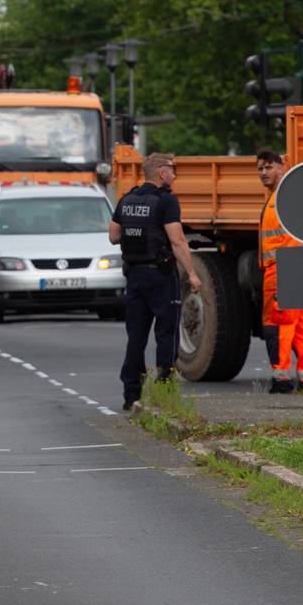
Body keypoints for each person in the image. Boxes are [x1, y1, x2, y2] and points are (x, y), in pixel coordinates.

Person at [112, 152, 202, 412]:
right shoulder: (166, 201)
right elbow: (177, 241)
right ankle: (164, 391)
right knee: (166, 334)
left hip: (135, 276)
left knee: (136, 337)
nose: (174, 176)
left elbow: (113, 236)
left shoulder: (126, 199)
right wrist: (192, 274)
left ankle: (131, 395)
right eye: (172, 170)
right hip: (161, 276)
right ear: (161, 173)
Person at [254, 149, 303, 395]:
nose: (263, 173)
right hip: (293, 267)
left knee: (279, 324)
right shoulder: (280, 196)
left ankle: (281, 377)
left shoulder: (283, 197)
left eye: (269, 167)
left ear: (281, 168)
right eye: (260, 169)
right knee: (300, 325)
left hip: (282, 269)